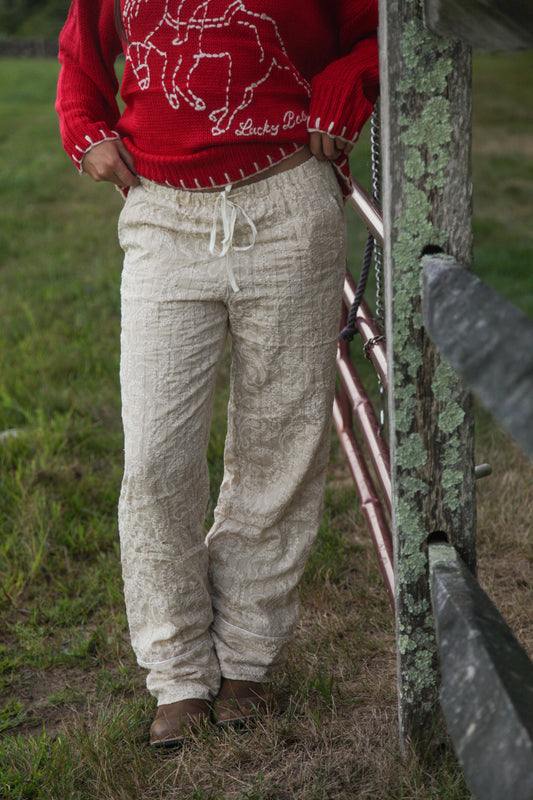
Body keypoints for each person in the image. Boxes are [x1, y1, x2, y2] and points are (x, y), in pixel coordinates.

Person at [56, 0, 379, 747]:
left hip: (288, 198)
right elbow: (80, 52)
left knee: (279, 444)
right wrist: (83, 127)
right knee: (155, 457)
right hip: (163, 215)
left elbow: (379, 34)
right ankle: (176, 671)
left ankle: (246, 660)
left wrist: (347, 80)